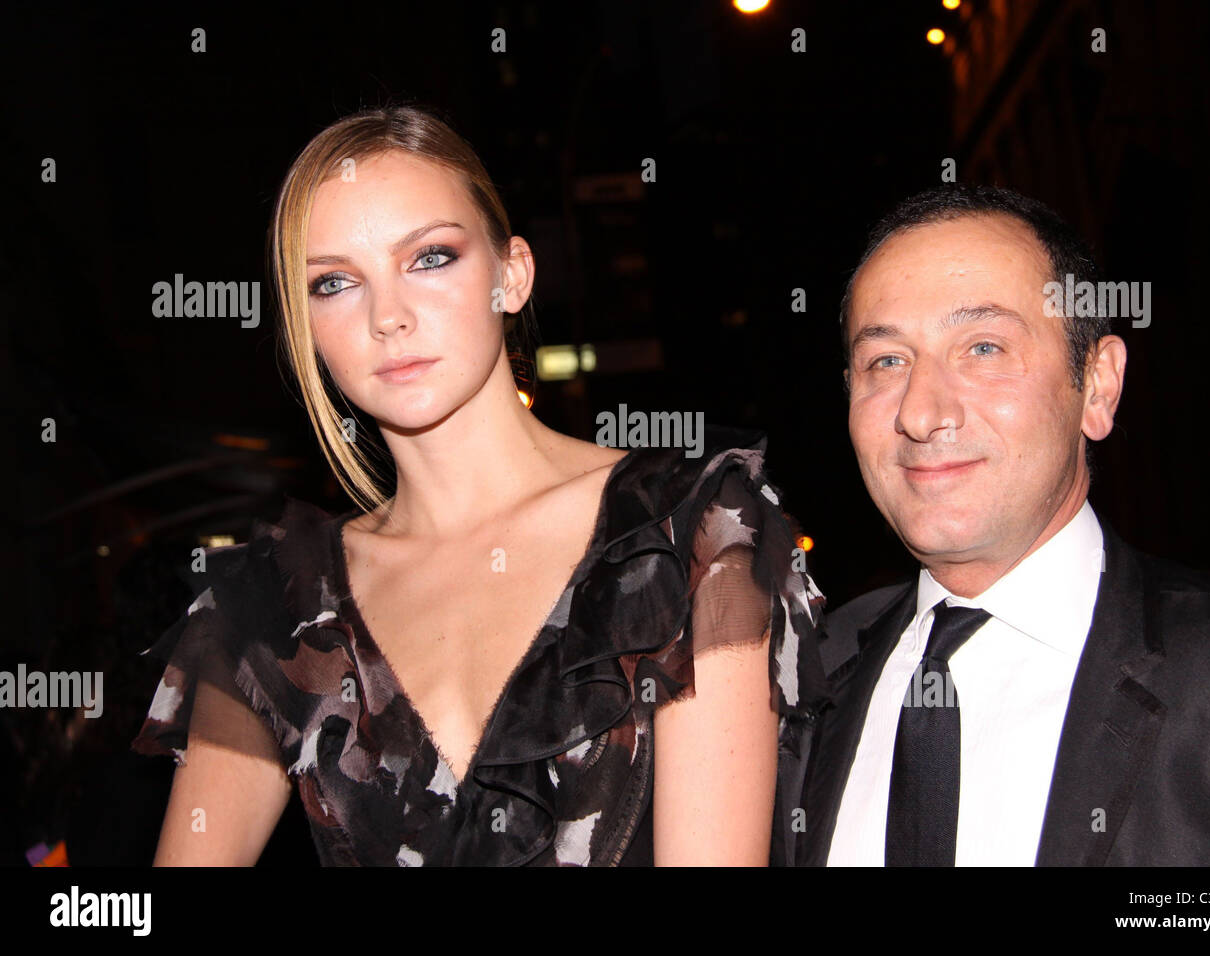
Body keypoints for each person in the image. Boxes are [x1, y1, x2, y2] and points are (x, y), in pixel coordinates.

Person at [131, 104, 827, 866]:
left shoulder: (690, 531)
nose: (387, 316)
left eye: (430, 257)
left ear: (513, 275)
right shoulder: (273, 604)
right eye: (334, 282)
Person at [798, 184, 1210, 866]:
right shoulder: (798, 687)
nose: (920, 412)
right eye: (887, 361)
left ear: (1097, 387)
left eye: (983, 348)